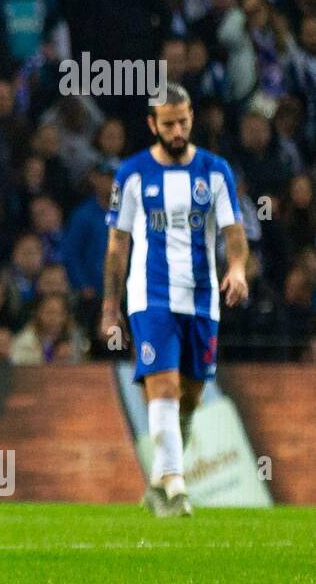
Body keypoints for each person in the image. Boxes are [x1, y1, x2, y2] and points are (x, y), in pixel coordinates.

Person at [100, 83, 248, 517]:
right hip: (151, 295)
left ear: (191, 118)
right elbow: (117, 245)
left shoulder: (215, 170)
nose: (178, 130)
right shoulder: (131, 174)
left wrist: (236, 269)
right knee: (161, 383)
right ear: (152, 125)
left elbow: (233, 234)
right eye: (169, 124)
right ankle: (178, 487)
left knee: (191, 394)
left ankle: (159, 479)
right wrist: (111, 309)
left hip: (202, 299)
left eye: (183, 121)